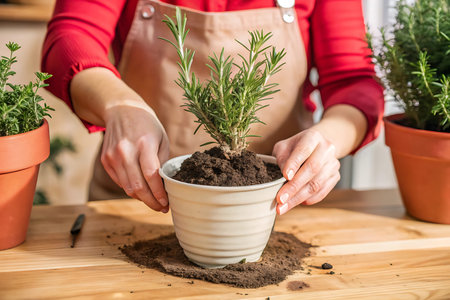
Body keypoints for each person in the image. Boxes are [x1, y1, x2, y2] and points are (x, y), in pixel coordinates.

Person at [41, 0, 384, 215]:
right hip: (135, 205)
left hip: (277, 209)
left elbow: (354, 81)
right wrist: (120, 103)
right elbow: (70, 37)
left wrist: (329, 139)